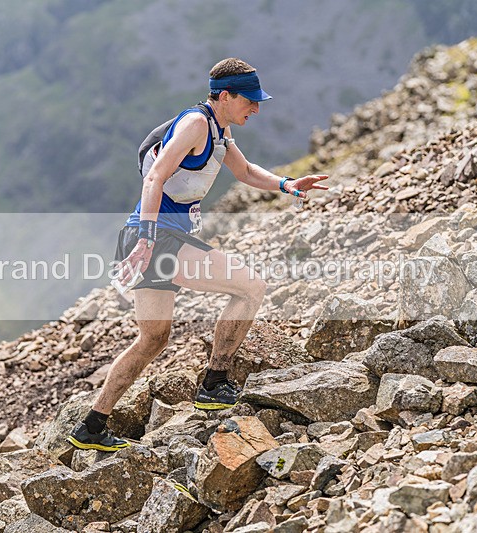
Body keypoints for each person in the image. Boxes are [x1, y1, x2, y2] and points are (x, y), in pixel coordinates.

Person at [68, 58, 329, 451]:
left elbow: (245, 173)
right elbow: (155, 176)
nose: (256, 108)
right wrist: (147, 238)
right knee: (251, 287)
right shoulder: (195, 124)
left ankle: (91, 425)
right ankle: (214, 382)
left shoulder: (220, 132)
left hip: (148, 239)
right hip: (159, 240)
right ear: (225, 96)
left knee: (152, 339)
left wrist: (288, 185)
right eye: (250, 100)